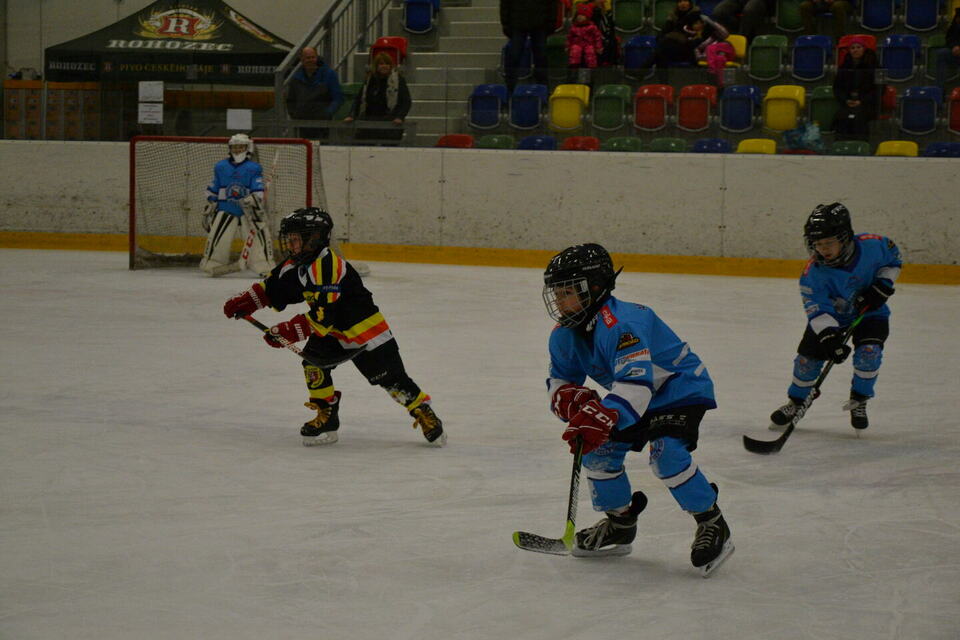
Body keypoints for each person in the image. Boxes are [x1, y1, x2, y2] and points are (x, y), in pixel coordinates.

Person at [542, 243, 734, 576]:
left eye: (568, 292)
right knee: (596, 452)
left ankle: (712, 522)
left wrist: (600, 416)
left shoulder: (622, 324)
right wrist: (570, 401)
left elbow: (637, 384)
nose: (559, 301)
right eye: (556, 293)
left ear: (595, 288)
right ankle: (620, 525)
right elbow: (559, 381)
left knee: (666, 455)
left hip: (679, 389)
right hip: (634, 395)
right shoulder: (564, 335)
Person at [222, 207, 445, 447]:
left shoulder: (328, 267)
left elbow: (323, 316)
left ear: (313, 239)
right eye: (290, 239)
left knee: (391, 379)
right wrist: (247, 301)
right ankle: (326, 415)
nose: (290, 245)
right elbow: (275, 287)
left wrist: (288, 330)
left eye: (296, 239)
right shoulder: (296, 263)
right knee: (313, 365)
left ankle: (422, 410)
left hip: (365, 331)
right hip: (331, 331)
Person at [769, 203, 901, 431]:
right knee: (806, 362)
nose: (823, 249)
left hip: (871, 313)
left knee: (869, 353)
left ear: (845, 237)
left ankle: (859, 399)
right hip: (833, 319)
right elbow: (818, 310)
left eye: (829, 242)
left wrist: (883, 284)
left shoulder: (873, 245)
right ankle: (796, 402)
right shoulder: (813, 274)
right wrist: (830, 339)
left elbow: (893, 259)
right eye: (818, 244)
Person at [200, 133, 273, 277]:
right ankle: (213, 263)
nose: (237, 150)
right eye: (235, 147)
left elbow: (257, 190)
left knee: (259, 237)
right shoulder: (221, 166)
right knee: (218, 238)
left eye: (241, 147)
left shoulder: (254, 168)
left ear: (248, 148)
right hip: (226, 208)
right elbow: (213, 188)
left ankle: (264, 266)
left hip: (248, 211)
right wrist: (211, 201)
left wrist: (253, 199)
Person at [343, 52, 412, 143]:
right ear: (376, 66)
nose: (384, 66)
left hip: (391, 120)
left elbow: (406, 101)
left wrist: (400, 117)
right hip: (369, 119)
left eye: (387, 63)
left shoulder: (398, 80)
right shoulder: (369, 79)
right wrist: (351, 115)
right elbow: (359, 99)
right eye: (381, 64)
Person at [285, 47, 344, 139]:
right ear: (302, 60)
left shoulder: (329, 75)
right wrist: (295, 115)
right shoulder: (296, 78)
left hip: (323, 124)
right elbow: (291, 100)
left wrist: (327, 113)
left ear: (317, 57)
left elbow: (338, 98)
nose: (310, 60)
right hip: (302, 125)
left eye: (313, 57)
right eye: (307, 58)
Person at [500, 0, 558, 93]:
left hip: (539, 23)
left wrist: (551, 22)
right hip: (518, 23)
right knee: (514, 56)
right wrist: (506, 23)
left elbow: (552, 3)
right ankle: (509, 90)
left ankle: (543, 91)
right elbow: (505, 3)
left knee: (541, 58)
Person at [832, 37, 880, 141]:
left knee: (858, 117)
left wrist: (862, 101)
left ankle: (861, 144)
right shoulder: (844, 66)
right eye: (852, 48)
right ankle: (841, 144)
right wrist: (846, 100)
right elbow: (837, 88)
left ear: (864, 49)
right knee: (842, 116)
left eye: (858, 47)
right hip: (848, 103)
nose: (855, 50)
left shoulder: (874, 65)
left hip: (868, 104)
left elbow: (879, 89)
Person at [566, 6, 604, 72]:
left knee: (590, 51)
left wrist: (598, 47)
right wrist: (568, 46)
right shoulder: (574, 27)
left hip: (589, 44)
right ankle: (574, 66)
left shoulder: (592, 27)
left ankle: (592, 67)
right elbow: (569, 38)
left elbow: (597, 37)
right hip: (577, 44)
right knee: (575, 50)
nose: (580, 17)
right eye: (579, 15)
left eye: (582, 15)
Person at [934, 8, 960, 89]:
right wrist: (954, 46)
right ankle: (939, 90)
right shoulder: (956, 22)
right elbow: (949, 38)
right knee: (942, 54)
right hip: (956, 53)